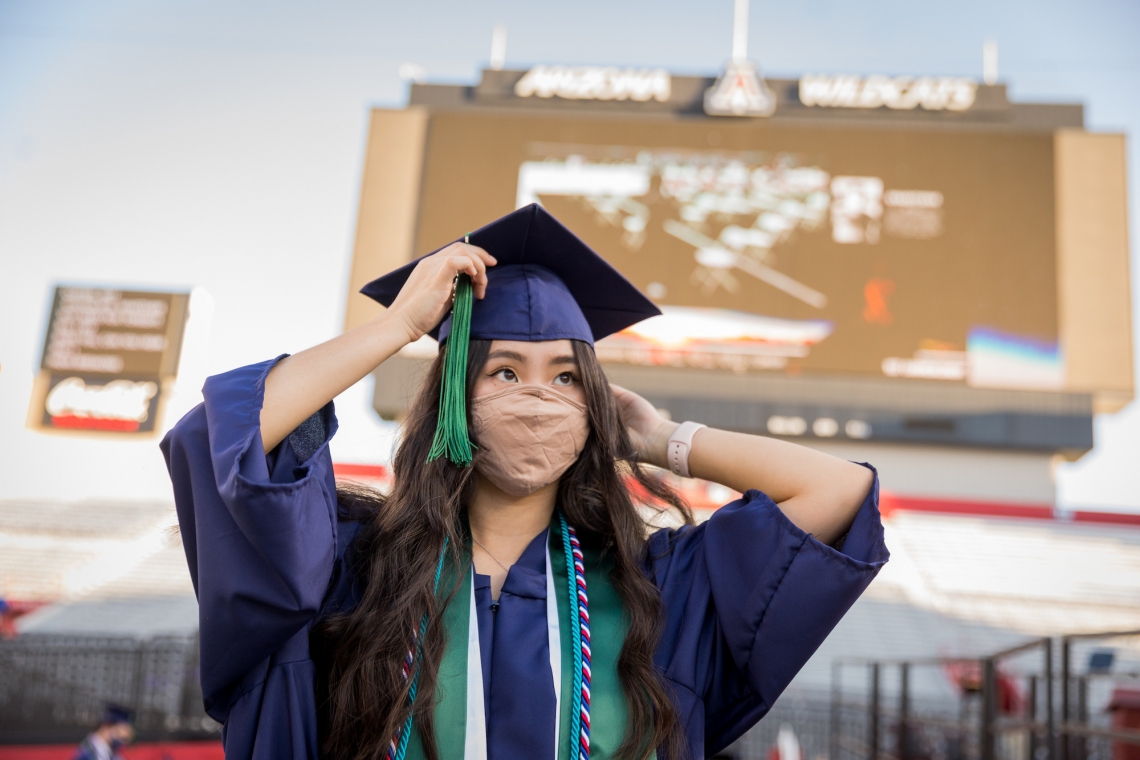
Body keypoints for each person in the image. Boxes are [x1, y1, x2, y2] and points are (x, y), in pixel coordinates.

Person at [162, 204, 889, 760]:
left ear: (594, 408)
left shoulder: (659, 590)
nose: (538, 399)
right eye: (505, 371)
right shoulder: (347, 569)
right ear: (453, 397)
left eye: (567, 378)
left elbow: (838, 491)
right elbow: (227, 439)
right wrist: (399, 327)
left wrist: (661, 440)